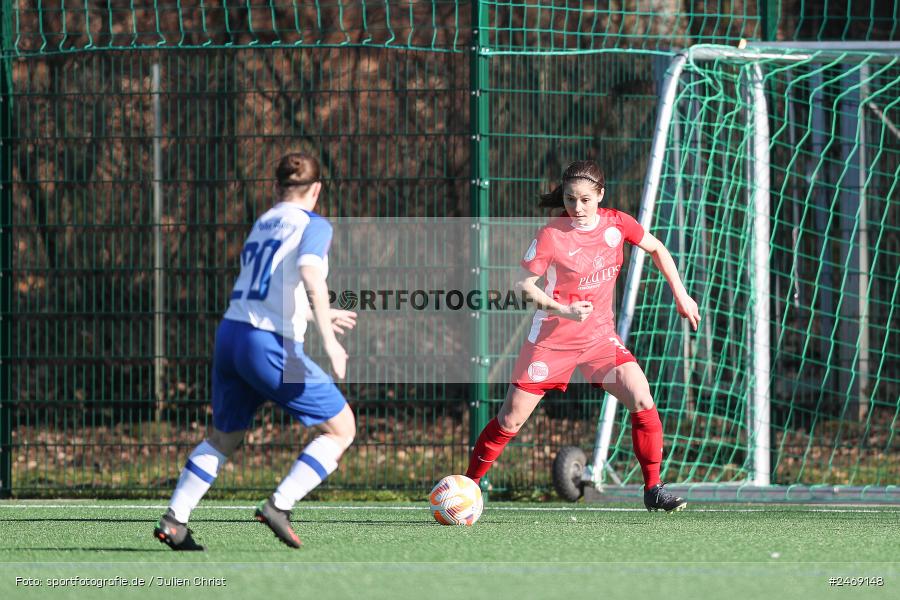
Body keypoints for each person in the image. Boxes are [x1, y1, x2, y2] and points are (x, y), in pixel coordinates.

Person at [465, 160, 700, 512]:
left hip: (598, 340)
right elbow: (524, 285)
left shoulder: (617, 224)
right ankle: (469, 486)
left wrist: (681, 294)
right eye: (571, 199)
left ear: (600, 196)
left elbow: (656, 248)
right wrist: (564, 310)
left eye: (586, 200)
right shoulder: (552, 234)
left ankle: (654, 488)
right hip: (551, 341)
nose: (577, 207)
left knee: (641, 395)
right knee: (510, 419)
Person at [154, 153, 357, 550]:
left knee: (224, 437)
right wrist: (330, 342)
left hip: (231, 336)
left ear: (277, 187)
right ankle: (279, 505)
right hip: (267, 344)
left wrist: (320, 314)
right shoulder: (314, 224)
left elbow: (272, 285)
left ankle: (174, 519)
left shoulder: (264, 221)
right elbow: (310, 275)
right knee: (341, 429)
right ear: (316, 189)